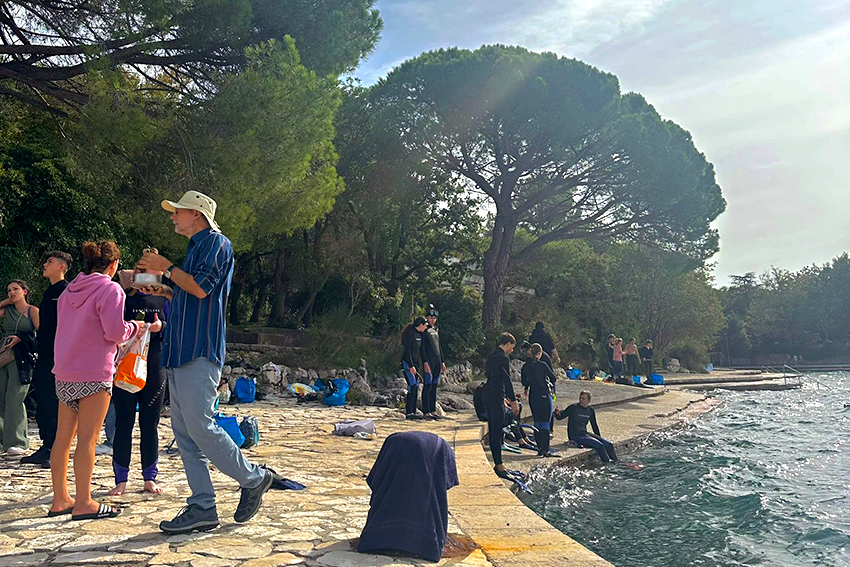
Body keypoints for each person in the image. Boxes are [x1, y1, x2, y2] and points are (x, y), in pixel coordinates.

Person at [137, 190, 277, 534]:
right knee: (185, 433)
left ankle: (254, 478)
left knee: (199, 426)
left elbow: (200, 288)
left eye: (178, 212)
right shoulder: (197, 247)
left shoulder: (216, 243)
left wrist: (166, 268)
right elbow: (194, 292)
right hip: (183, 349)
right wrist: (166, 290)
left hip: (199, 349)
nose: (173, 217)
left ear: (197, 214)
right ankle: (203, 506)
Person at [50, 241, 146, 519]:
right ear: (113, 265)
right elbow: (115, 332)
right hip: (94, 372)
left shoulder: (69, 290)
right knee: (88, 441)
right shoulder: (110, 289)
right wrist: (136, 327)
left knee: (63, 439)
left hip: (65, 371)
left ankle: (60, 499)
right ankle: (84, 502)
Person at [109, 263, 169, 496]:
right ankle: (121, 479)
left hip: (155, 364)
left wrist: (159, 326)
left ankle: (149, 477)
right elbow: (113, 327)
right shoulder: (123, 298)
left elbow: (172, 327)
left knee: (149, 422)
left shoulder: (165, 299)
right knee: (124, 422)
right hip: (126, 365)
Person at [20, 252, 71, 467]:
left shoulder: (67, 291)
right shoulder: (49, 292)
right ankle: (47, 444)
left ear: (62, 267)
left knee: (53, 401)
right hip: (45, 354)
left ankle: (56, 449)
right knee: (43, 399)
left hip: (59, 355)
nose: (45, 264)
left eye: (49, 262)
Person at [0, 280, 40, 455]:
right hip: (4, 356)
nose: (12, 292)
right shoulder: (6, 311)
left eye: (15, 289)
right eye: (9, 290)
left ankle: (18, 441)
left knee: (15, 397)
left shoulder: (33, 311)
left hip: (22, 357)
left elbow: (40, 335)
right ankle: (3, 439)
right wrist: (4, 302)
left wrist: (21, 338)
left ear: (25, 291)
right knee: (1, 397)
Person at [482, 333, 519, 478]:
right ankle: (499, 466)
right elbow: (506, 380)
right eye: (512, 347)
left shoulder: (491, 356)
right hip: (495, 395)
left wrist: (502, 397)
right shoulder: (503, 357)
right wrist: (513, 401)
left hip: (488, 393)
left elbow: (491, 376)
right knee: (497, 430)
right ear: (508, 344)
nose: (512, 350)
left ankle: (498, 463)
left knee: (493, 429)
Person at [555, 390, 617, 462]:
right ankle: (607, 463)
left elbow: (594, 425)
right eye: (580, 398)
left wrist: (599, 437)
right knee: (599, 445)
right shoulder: (573, 408)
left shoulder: (590, 410)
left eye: (583, 399)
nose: (581, 400)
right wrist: (556, 413)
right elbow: (560, 417)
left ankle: (616, 462)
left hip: (584, 434)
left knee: (608, 444)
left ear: (589, 400)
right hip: (575, 435)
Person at [521, 343, 557, 457]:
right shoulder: (542, 365)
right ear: (539, 353)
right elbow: (553, 377)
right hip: (544, 394)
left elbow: (524, 381)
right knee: (545, 422)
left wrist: (527, 386)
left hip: (533, 395)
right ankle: (545, 449)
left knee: (537, 422)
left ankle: (539, 448)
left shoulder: (525, 366)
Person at [420, 305, 446, 420]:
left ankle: (433, 410)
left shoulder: (435, 330)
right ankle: (426, 411)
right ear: (426, 318)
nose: (432, 320)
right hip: (429, 361)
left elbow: (438, 347)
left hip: (437, 361)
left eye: (434, 318)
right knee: (428, 386)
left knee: (434, 386)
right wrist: (425, 362)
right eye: (430, 318)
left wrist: (442, 361)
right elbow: (422, 349)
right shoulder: (424, 331)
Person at [400, 316, 428, 420]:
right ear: (420, 325)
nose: (426, 327)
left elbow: (418, 352)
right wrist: (411, 366)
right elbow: (407, 352)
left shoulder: (419, 335)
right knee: (412, 386)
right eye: (425, 325)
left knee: (416, 386)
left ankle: (413, 410)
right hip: (407, 363)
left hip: (415, 364)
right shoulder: (410, 334)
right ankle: (409, 412)